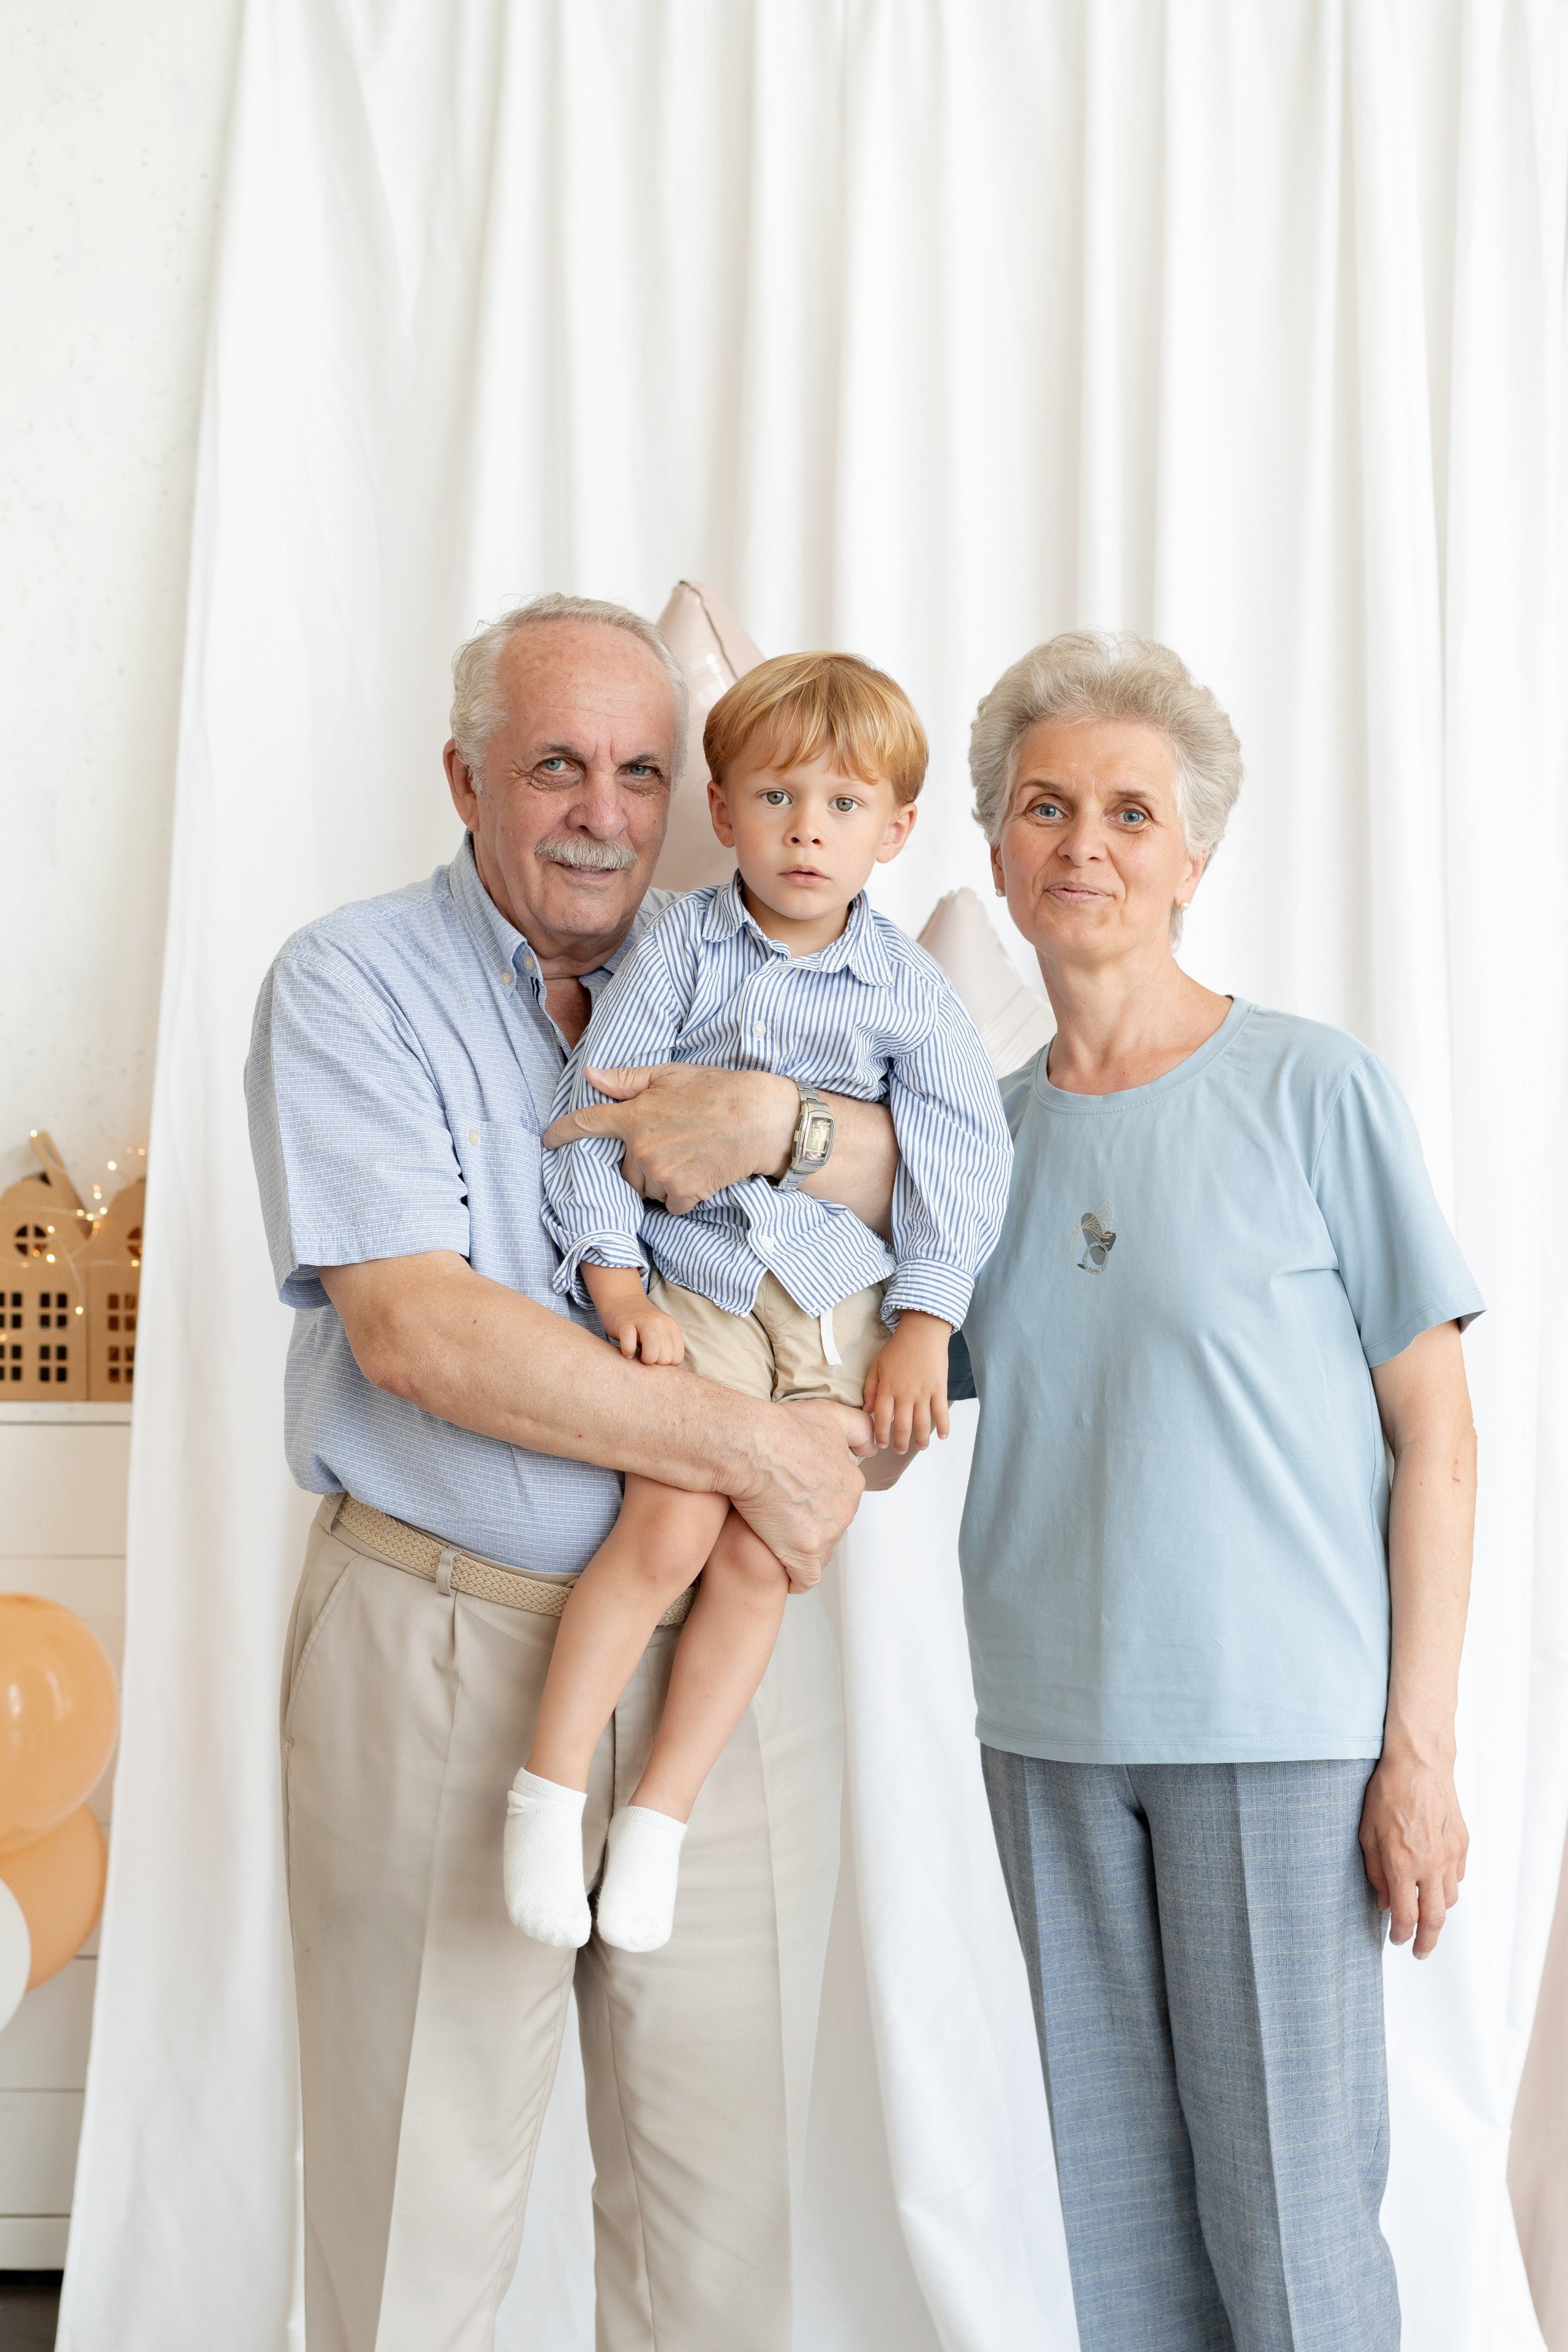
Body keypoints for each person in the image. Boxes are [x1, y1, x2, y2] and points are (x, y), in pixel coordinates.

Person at [244, 594, 908, 2352]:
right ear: (465, 779)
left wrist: (785, 1128)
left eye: (635, 768)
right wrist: (755, 1446)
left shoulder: (767, 970)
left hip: (727, 1685)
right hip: (442, 1646)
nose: (601, 810)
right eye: (553, 765)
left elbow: (940, 1171)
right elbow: (419, 1334)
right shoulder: (349, 983)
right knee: (417, 2238)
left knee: (722, 2245)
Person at [953, 630, 1483, 2352]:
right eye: (1045, 808)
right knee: (1117, 2250)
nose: (1082, 846)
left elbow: (1442, 1435)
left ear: (1193, 858)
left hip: (1278, 1738)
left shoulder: (1311, 1088)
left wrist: (1418, 1753)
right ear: (994, 846)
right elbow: (882, 1394)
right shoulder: (981, 1139)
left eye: (1127, 812)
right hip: (1047, 1737)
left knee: (1294, 2243)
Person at [510, 652, 1011, 1953]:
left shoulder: (909, 989)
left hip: (841, 1310)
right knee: (674, 1515)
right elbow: (591, 1110)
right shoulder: (679, 941)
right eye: (777, 799)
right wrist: (613, 1277)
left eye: (844, 807)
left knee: (765, 1554)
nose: (806, 832)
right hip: (709, 1285)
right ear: (722, 812)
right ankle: (546, 1790)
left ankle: (657, 1821)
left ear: (893, 832)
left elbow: (963, 1156)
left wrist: (925, 1323)